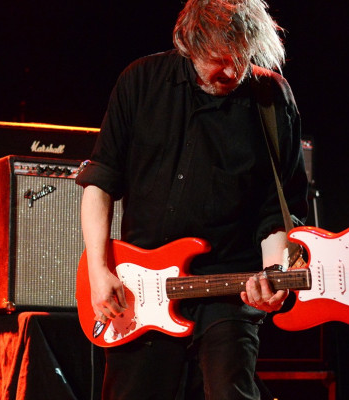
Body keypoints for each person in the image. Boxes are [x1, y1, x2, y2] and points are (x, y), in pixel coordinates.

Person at [76, 0, 309, 398]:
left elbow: (277, 210)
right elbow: (100, 181)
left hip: (231, 288)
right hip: (140, 287)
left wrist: (275, 276)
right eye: (219, 60)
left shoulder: (271, 98)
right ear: (188, 44)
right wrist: (99, 271)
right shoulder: (140, 82)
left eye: (243, 58)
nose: (233, 72)